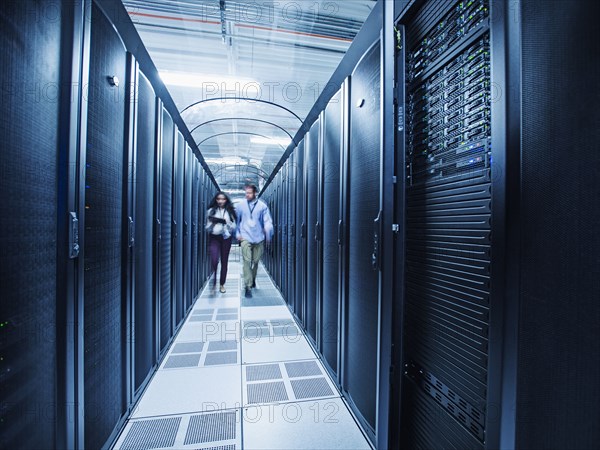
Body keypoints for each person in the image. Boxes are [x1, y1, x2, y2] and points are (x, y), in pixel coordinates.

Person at [235, 184, 273, 298]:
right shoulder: (241, 206)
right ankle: (247, 286)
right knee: (247, 261)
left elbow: (267, 221)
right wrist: (238, 233)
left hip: (259, 238)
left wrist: (268, 235)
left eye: (249, 193)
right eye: (246, 193)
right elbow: (236, 221)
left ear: (255, 193)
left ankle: (253, 279)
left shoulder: (262, 206)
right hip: (245, 237)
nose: (247, 195)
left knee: (256, 261)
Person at [206, 191, 237, 294]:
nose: (220, 201)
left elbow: (234, 226)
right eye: (218, 199)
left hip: (226, 238)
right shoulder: (211, 211)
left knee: (224, 261)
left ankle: (222, 284)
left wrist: (226, 222)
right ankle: (214, 282)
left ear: (226, 200)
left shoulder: (230, 211)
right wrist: (214, 223)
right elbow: (207, 226)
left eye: (222, 199)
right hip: (214, 237)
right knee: (214, 260)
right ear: (216, 200)